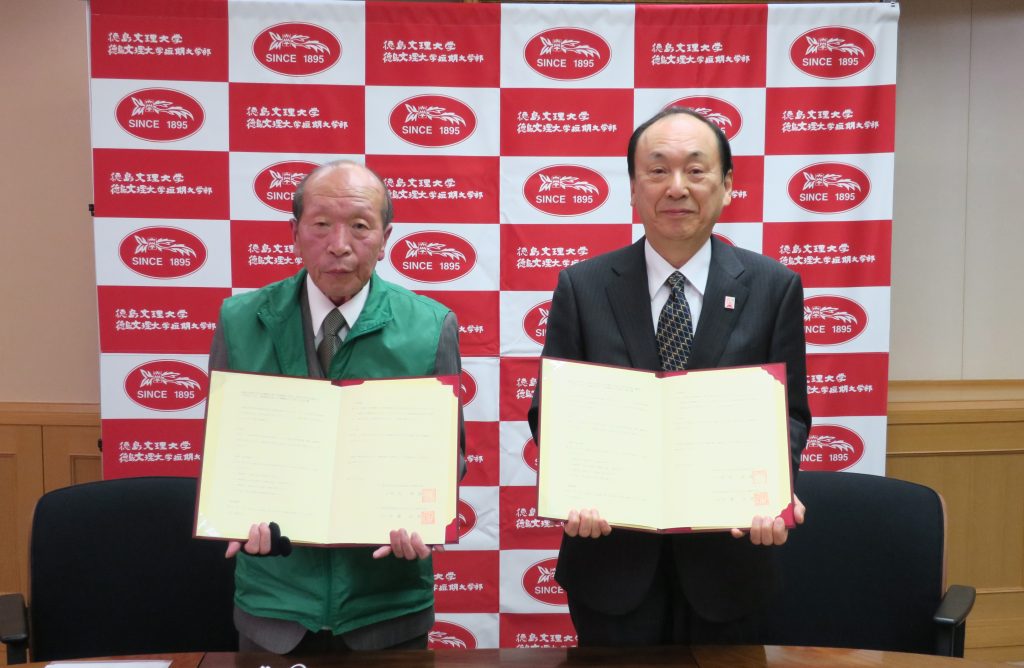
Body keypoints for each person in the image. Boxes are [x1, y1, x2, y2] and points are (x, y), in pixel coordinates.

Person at [527, 107, 811, 646]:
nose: (676, 187)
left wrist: (777, 487)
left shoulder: (774, 287)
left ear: (727, 185)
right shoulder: (583, 286)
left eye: (696, 170)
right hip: (611, 563)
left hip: (731, 564)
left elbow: (790, 415)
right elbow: (552, 411)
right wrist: (575, 485)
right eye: (657, 170)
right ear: (634, 188)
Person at [208, 160, 463, 652]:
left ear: (386, 238)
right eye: (321, 224)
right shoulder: (240, 320)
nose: (340, 244)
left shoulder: (430, 326)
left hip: (386, 606)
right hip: (274, 606)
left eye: (361, 226)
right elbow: (223, 451)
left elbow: (449, 456)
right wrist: (232, 511)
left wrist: (425, 517)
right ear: (294, 233)